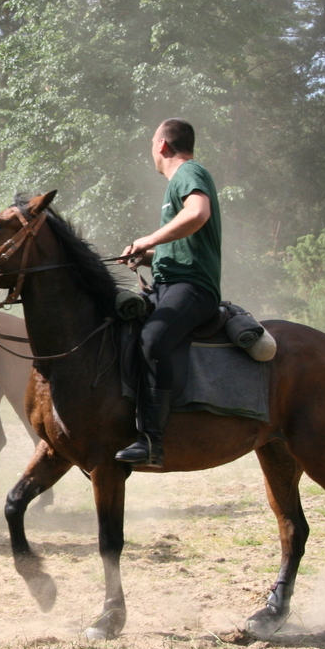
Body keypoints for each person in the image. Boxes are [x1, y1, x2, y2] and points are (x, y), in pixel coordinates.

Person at [115, 118, 221, 469]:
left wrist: (148, 239)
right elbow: (181, 244)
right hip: (168, 285)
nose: (151, 151)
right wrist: (145, 256)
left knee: (153, 338)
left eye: (151, 144)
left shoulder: (188, 172)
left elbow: (199, 213)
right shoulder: (178, 183)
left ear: (162, 145)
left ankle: (151, 441)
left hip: (192, 289)